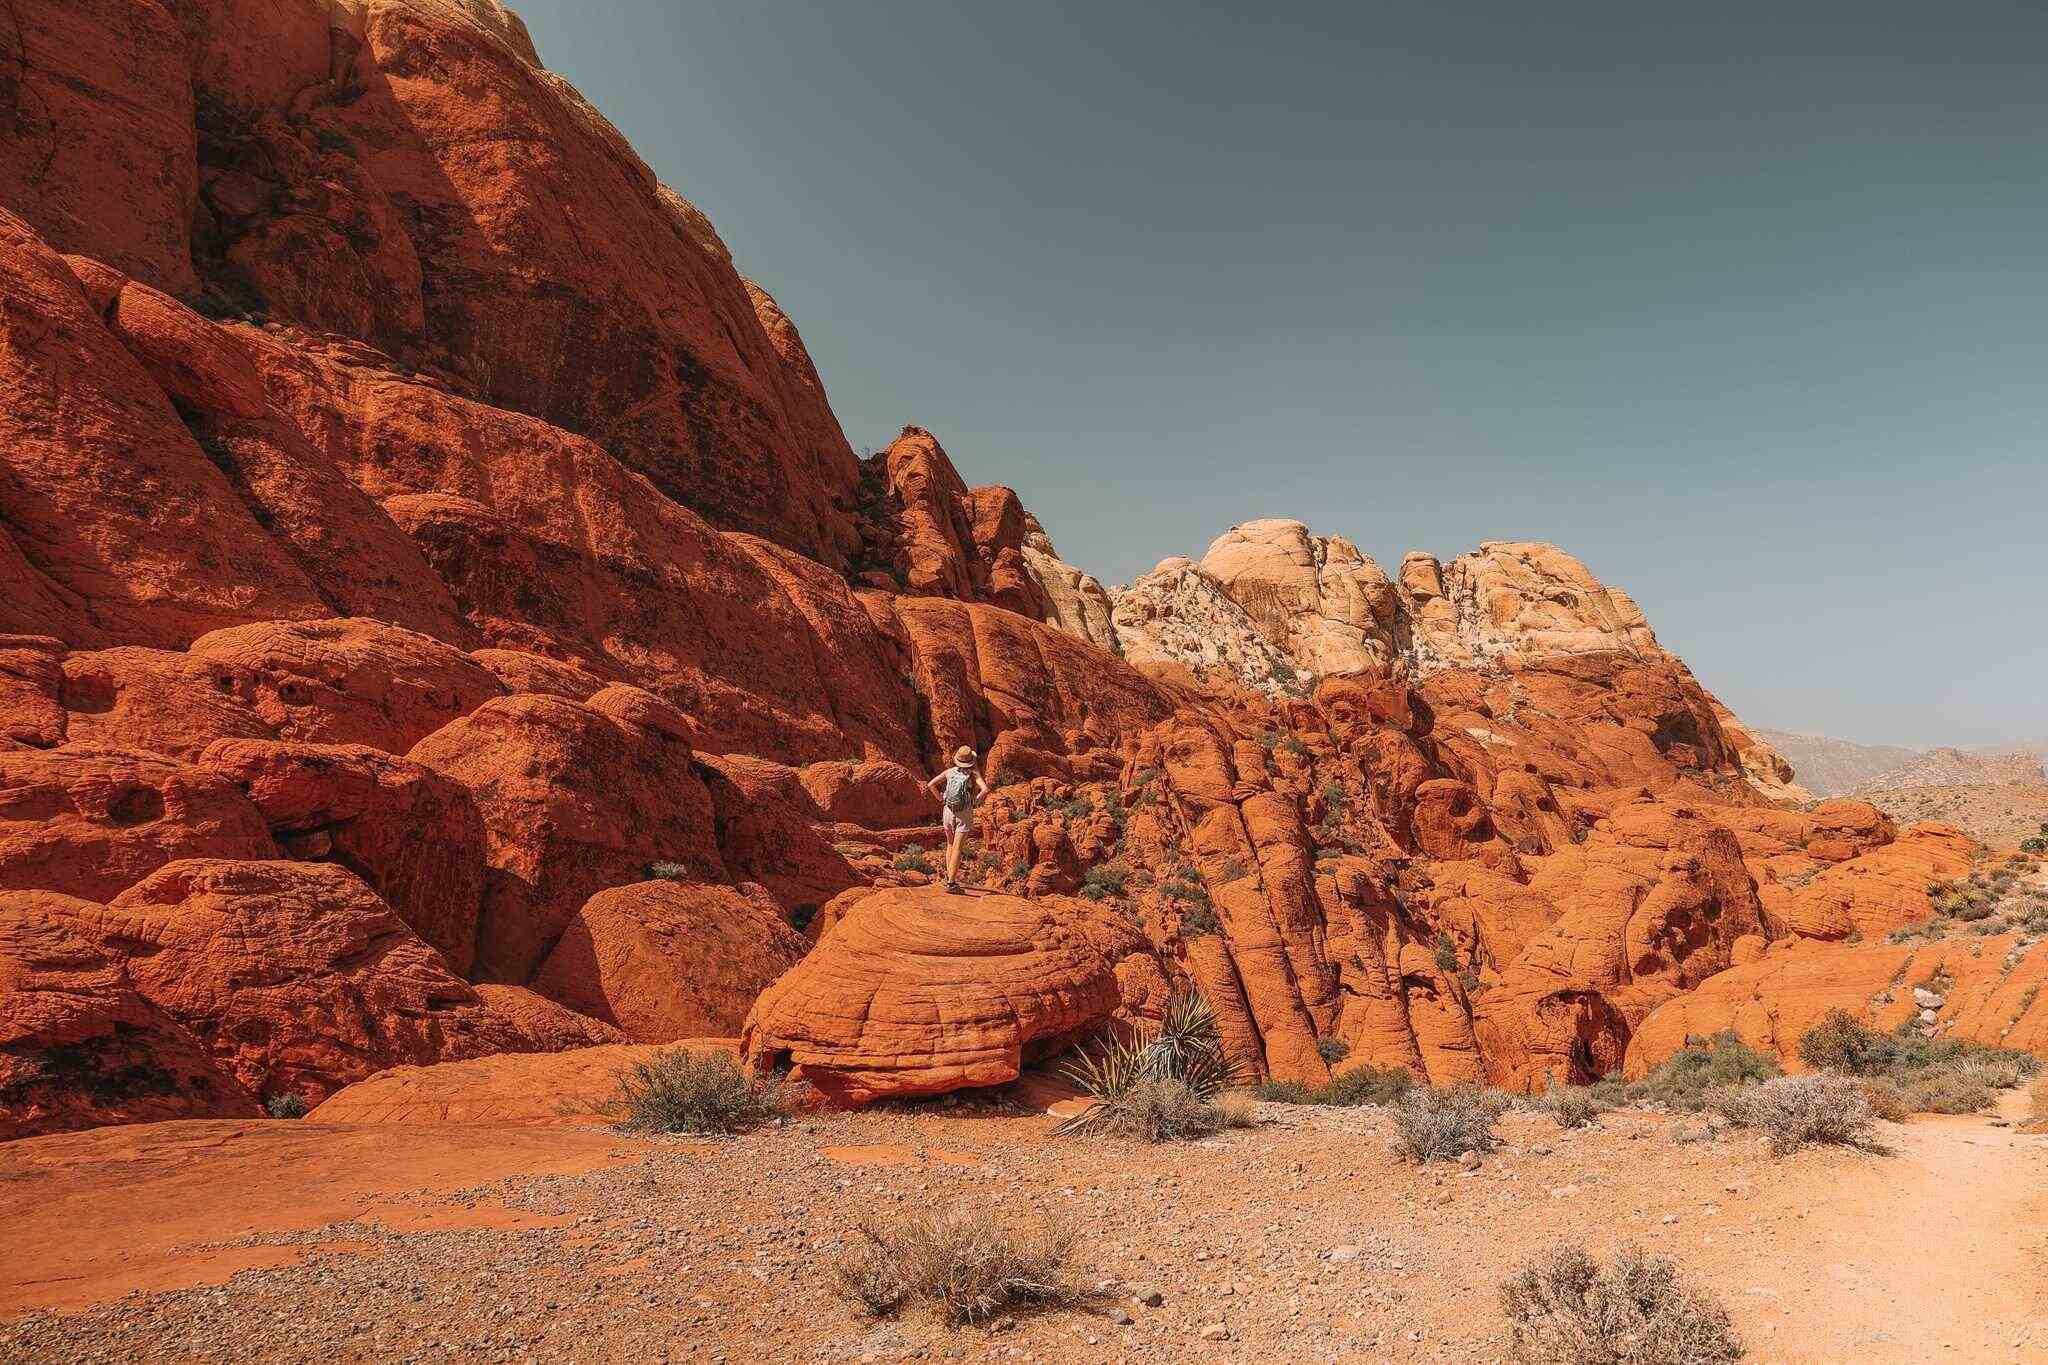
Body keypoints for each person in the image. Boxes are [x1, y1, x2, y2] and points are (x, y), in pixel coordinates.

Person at [926, 745, 989, 892]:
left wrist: (941, 799)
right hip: (964, 813)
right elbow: (985, 789)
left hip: (948, 811)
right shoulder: (973, 774)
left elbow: (931, 785)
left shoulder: (949, 772)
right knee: (958, 849)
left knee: (950, 844)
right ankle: (951, 884)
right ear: (971, 761)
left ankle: (948, 879)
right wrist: (975, 801)